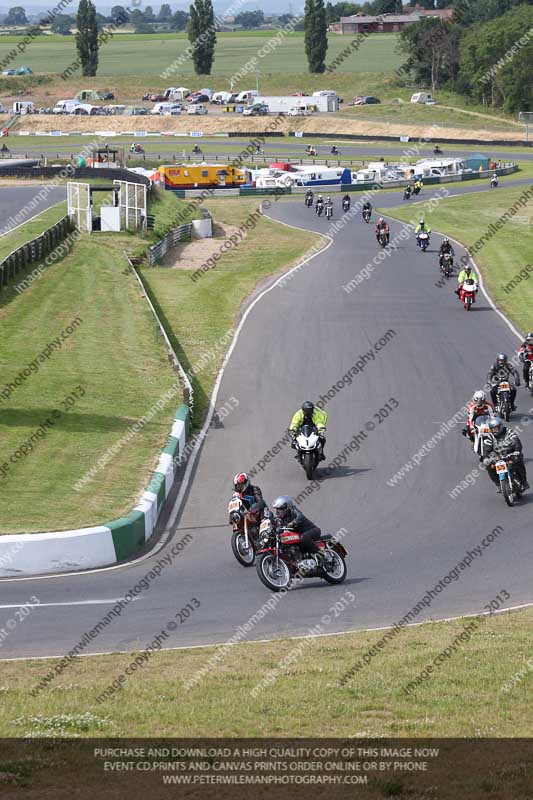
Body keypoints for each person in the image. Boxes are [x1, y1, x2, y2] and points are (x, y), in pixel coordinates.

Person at [271, 496, 329, 562]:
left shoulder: (293, 510)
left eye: (279, 509)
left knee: (304, 537)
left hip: (313, 530)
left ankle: (321, 554)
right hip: (299, 535)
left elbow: (300, 516)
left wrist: (293, 522)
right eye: (277, 509)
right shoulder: (282, 518)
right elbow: (275, 523)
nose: (278, 511)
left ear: (286, 507)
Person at [484, 417, 529, 490]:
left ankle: (524, 482)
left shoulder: (509, 431)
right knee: (489, 466)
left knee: (518, 461)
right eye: (492, 429)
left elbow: (516, 441)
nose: (494, 431)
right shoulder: (490, 436)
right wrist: (486, 457)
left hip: (511, 453)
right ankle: (498, 484)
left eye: (496, 428)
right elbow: (487, 448)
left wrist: (517, 450)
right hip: (498, 456)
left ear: (500, 426)